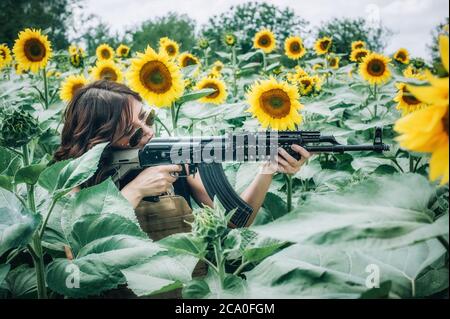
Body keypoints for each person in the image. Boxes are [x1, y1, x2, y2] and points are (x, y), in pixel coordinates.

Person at [53, 80, 312, 234]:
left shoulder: (175, 158)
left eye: (148, 118)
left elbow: (236, 222)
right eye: (133, 135)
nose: (149, 133)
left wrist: (268, 169)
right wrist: (136, 189)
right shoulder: (74, 180)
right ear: (100, 142)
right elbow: (77, 252)